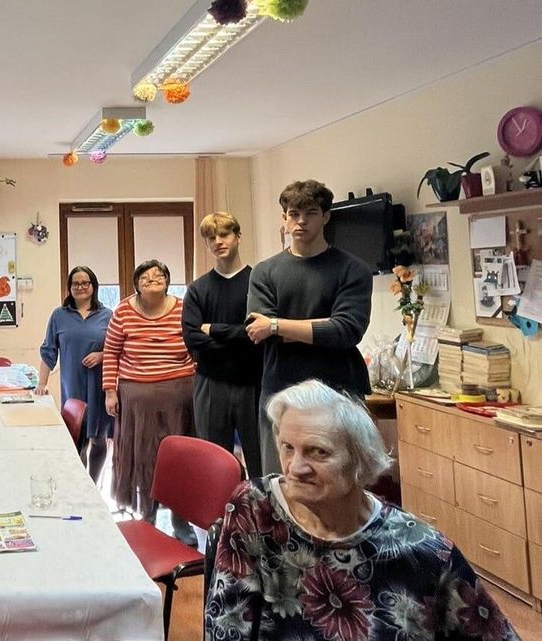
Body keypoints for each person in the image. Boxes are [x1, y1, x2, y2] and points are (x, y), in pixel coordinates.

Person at [205, 379, 520, 641]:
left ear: (359, 461)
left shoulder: (422, 551)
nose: (296, 467)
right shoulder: (255, 510)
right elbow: (226, 625)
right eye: (288, 447)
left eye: (318, 452)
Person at [247, 180, 372, 475]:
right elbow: (257, 331)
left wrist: (277, 325)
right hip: (281, 392)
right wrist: (320, 329)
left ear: (326, 216)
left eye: (311, 213)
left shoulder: (353, 269)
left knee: (340, 482)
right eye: (293, 214)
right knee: (281, 483)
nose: (301, 221)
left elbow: (346, 331)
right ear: (284, 218)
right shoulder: (265, 272)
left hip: (338, 393)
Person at [102, 260, 197, 544]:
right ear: (136, 283)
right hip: (136, 399)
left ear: (168, 281)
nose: (152, 278)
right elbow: (111, 352)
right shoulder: (122, 311)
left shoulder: (184, 308)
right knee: (143, 459)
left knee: (179, 460)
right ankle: (147, 516)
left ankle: (181, 520)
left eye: (159, 275)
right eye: (145, 275)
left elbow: (196, 344)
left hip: (179, 397)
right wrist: (110, 391)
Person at [182, 212, 263, 478]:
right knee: (214, 464)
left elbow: (260, 336)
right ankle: (218, 520)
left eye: (224, 234)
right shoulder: (197, 289)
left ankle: (261, 518)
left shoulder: (259, 283)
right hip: (210, 384)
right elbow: (193, 340)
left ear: (238, 236)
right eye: (211, 237)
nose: (218, 241)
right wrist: (239, 337)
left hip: (253, 384)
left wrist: (215, 330)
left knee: (260, 461)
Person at [37, 266, 113, 482]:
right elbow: (48, 351)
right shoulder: (59, 315)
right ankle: (80, 484)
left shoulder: (107, 315)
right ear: (69, 288)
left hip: (100, 384)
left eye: (85, 283)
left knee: (99, 437)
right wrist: (41, 384)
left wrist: (101, 355)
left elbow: (119, 348)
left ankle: (94, 484)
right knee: (77, 438)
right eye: (75, 283)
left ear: (93, 286)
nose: (80, 287)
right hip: (73, 385)